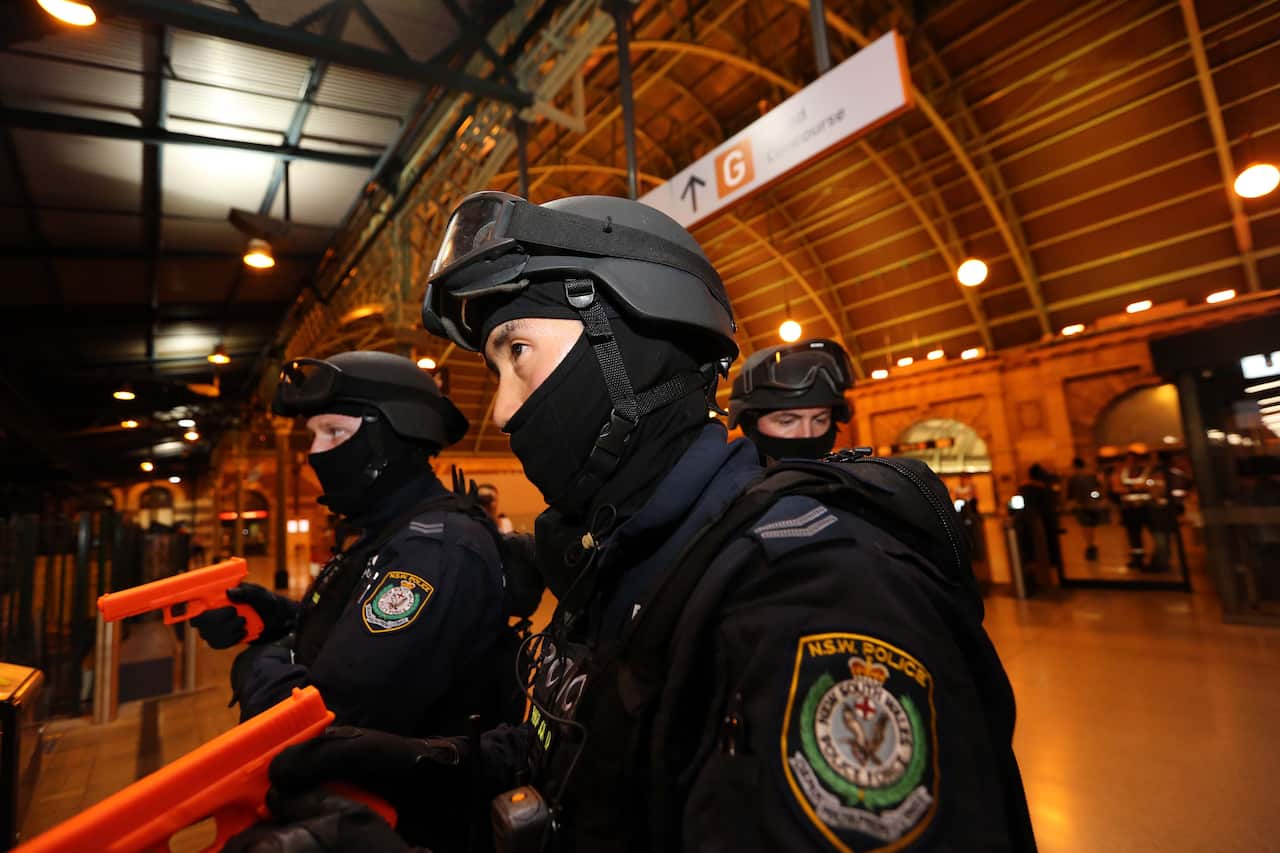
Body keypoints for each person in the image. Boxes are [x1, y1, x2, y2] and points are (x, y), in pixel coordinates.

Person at [226, 194, 1035, 852]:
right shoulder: (634, 557)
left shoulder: (807, 595)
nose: (503, 408)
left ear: (630, 350)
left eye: (518, 351)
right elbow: (584, 757)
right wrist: (398, 762)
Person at [191, 351, 521, 738]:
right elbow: (358, 635)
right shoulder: (385, 530)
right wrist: (279, 617)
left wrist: (258, 664)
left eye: (334, 432)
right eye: (313, 434)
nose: (314, 452)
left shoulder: (433, 552)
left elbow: (323, 717)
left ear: (390, 438)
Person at [726, 338, 853, 462]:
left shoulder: (847, 480)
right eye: (786, 421)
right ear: (749, 423)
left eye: (820, 420)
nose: (807, 435)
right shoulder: (726, 482)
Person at [1065, 457, 1106, 561]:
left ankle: (1090, 545)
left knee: (1085, 526)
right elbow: (1099, 488)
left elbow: (1070, 494)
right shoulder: (1091, 476)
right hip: (1093, 505)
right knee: (1091, 526)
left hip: (1081, 506)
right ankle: (1091, 544)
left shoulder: (1073, 478)